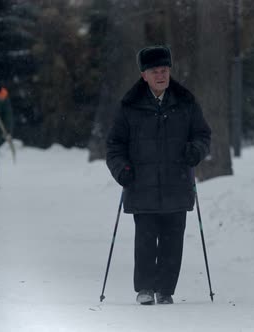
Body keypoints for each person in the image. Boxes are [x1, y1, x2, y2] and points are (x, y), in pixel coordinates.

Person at [106, 45, 211, 305]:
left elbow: (202, 134)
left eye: (164, 70)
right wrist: (122, 170)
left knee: (172, 242)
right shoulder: (129, 106)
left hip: (178, 183)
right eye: (154, 71)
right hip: (142, 185)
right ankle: (144, 288)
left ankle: (165, 290)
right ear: (144, 75)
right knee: (145, 240)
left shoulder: (185, 102)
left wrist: (195, 150)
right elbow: (115, 146)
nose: (161, 75)